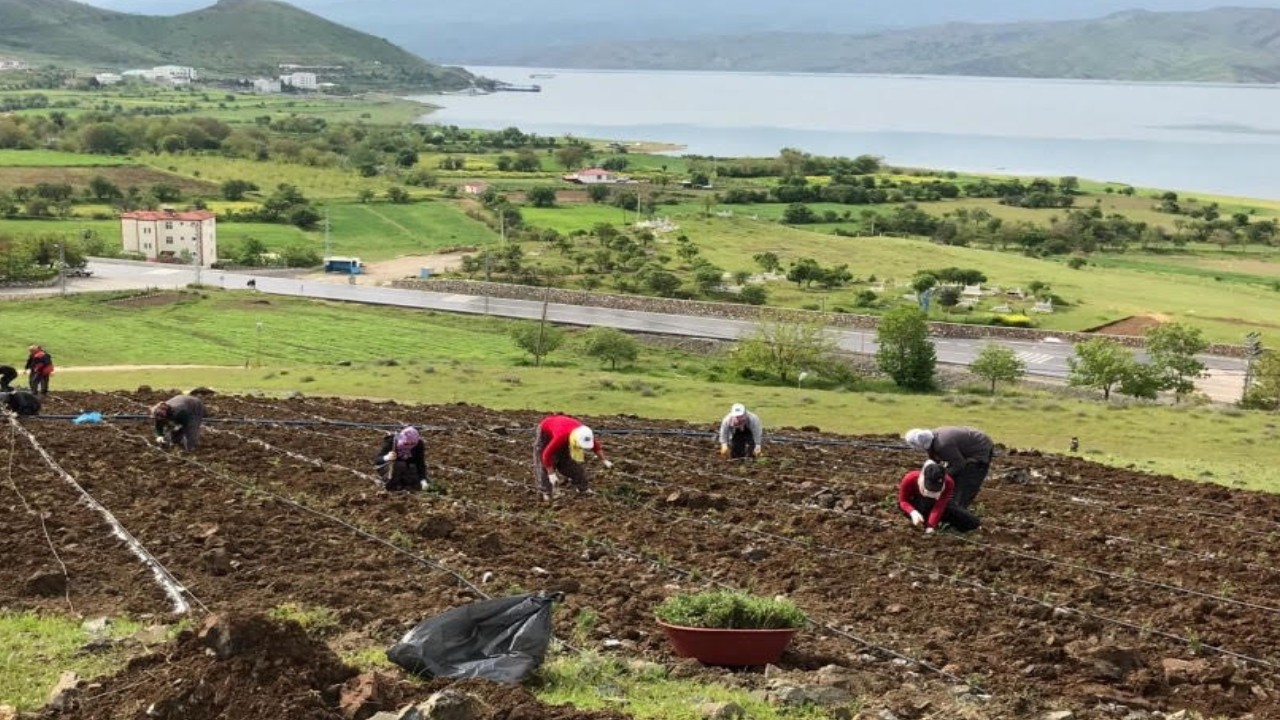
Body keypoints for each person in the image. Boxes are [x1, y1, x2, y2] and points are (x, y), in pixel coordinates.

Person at [904, 426, 994, 509]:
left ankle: (958, 510)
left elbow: (959, 464)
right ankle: (949, 504)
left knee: (965, 480)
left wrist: (941, 476)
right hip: (965, 446)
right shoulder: (930, 437)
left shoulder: (943, 445)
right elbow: (934, 458)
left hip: (980, 447)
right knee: (952, 476)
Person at [534, 414, 612, 502]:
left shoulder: (585, 434)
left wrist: (604, 460)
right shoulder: (561, 437)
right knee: (544, 463)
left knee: (566, 461)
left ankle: (584, 488)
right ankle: (546, 493)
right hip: (546, 431)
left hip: (563, 428)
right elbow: (546, 455)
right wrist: (551, 474)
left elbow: (596, 446)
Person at [898, 461, 980, 534]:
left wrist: (930, 526)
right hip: (918, 503)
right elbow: (903, 501)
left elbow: (939, 506)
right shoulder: (910, 478)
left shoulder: (949, 482)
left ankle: (937, 521)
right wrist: (913, 512)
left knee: (971, 522)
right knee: (920, 513)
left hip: (937, 503)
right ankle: (924, 519)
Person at [375, 426, 428, 492]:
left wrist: (423, 480)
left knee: (416, 483)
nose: (409, 446)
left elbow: (420, 463)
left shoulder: (418, 443)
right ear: (402, 439)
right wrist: (387, 457)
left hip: (407, 467)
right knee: (400, 465)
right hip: (388, 467)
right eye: (406, 443)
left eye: (412, 444)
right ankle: (391, 486)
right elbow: (377, 460)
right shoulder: (392, 440)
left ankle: (405, 483)